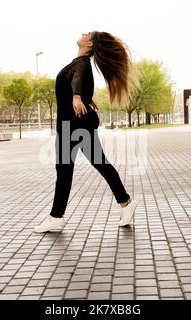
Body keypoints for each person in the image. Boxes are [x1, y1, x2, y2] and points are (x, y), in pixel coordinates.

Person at [34, 31, 138, 233]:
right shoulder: (80, 63)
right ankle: (125, 203)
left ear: (89, 44)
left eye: (87, 34)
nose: (83, 34)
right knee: (96, 165)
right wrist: (85, 98)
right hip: (75, 124)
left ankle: (56, 218)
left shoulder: (81, 63)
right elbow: (75, 80)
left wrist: (78, 96)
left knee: (65, 172)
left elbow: (77, 80)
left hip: (73, 126)